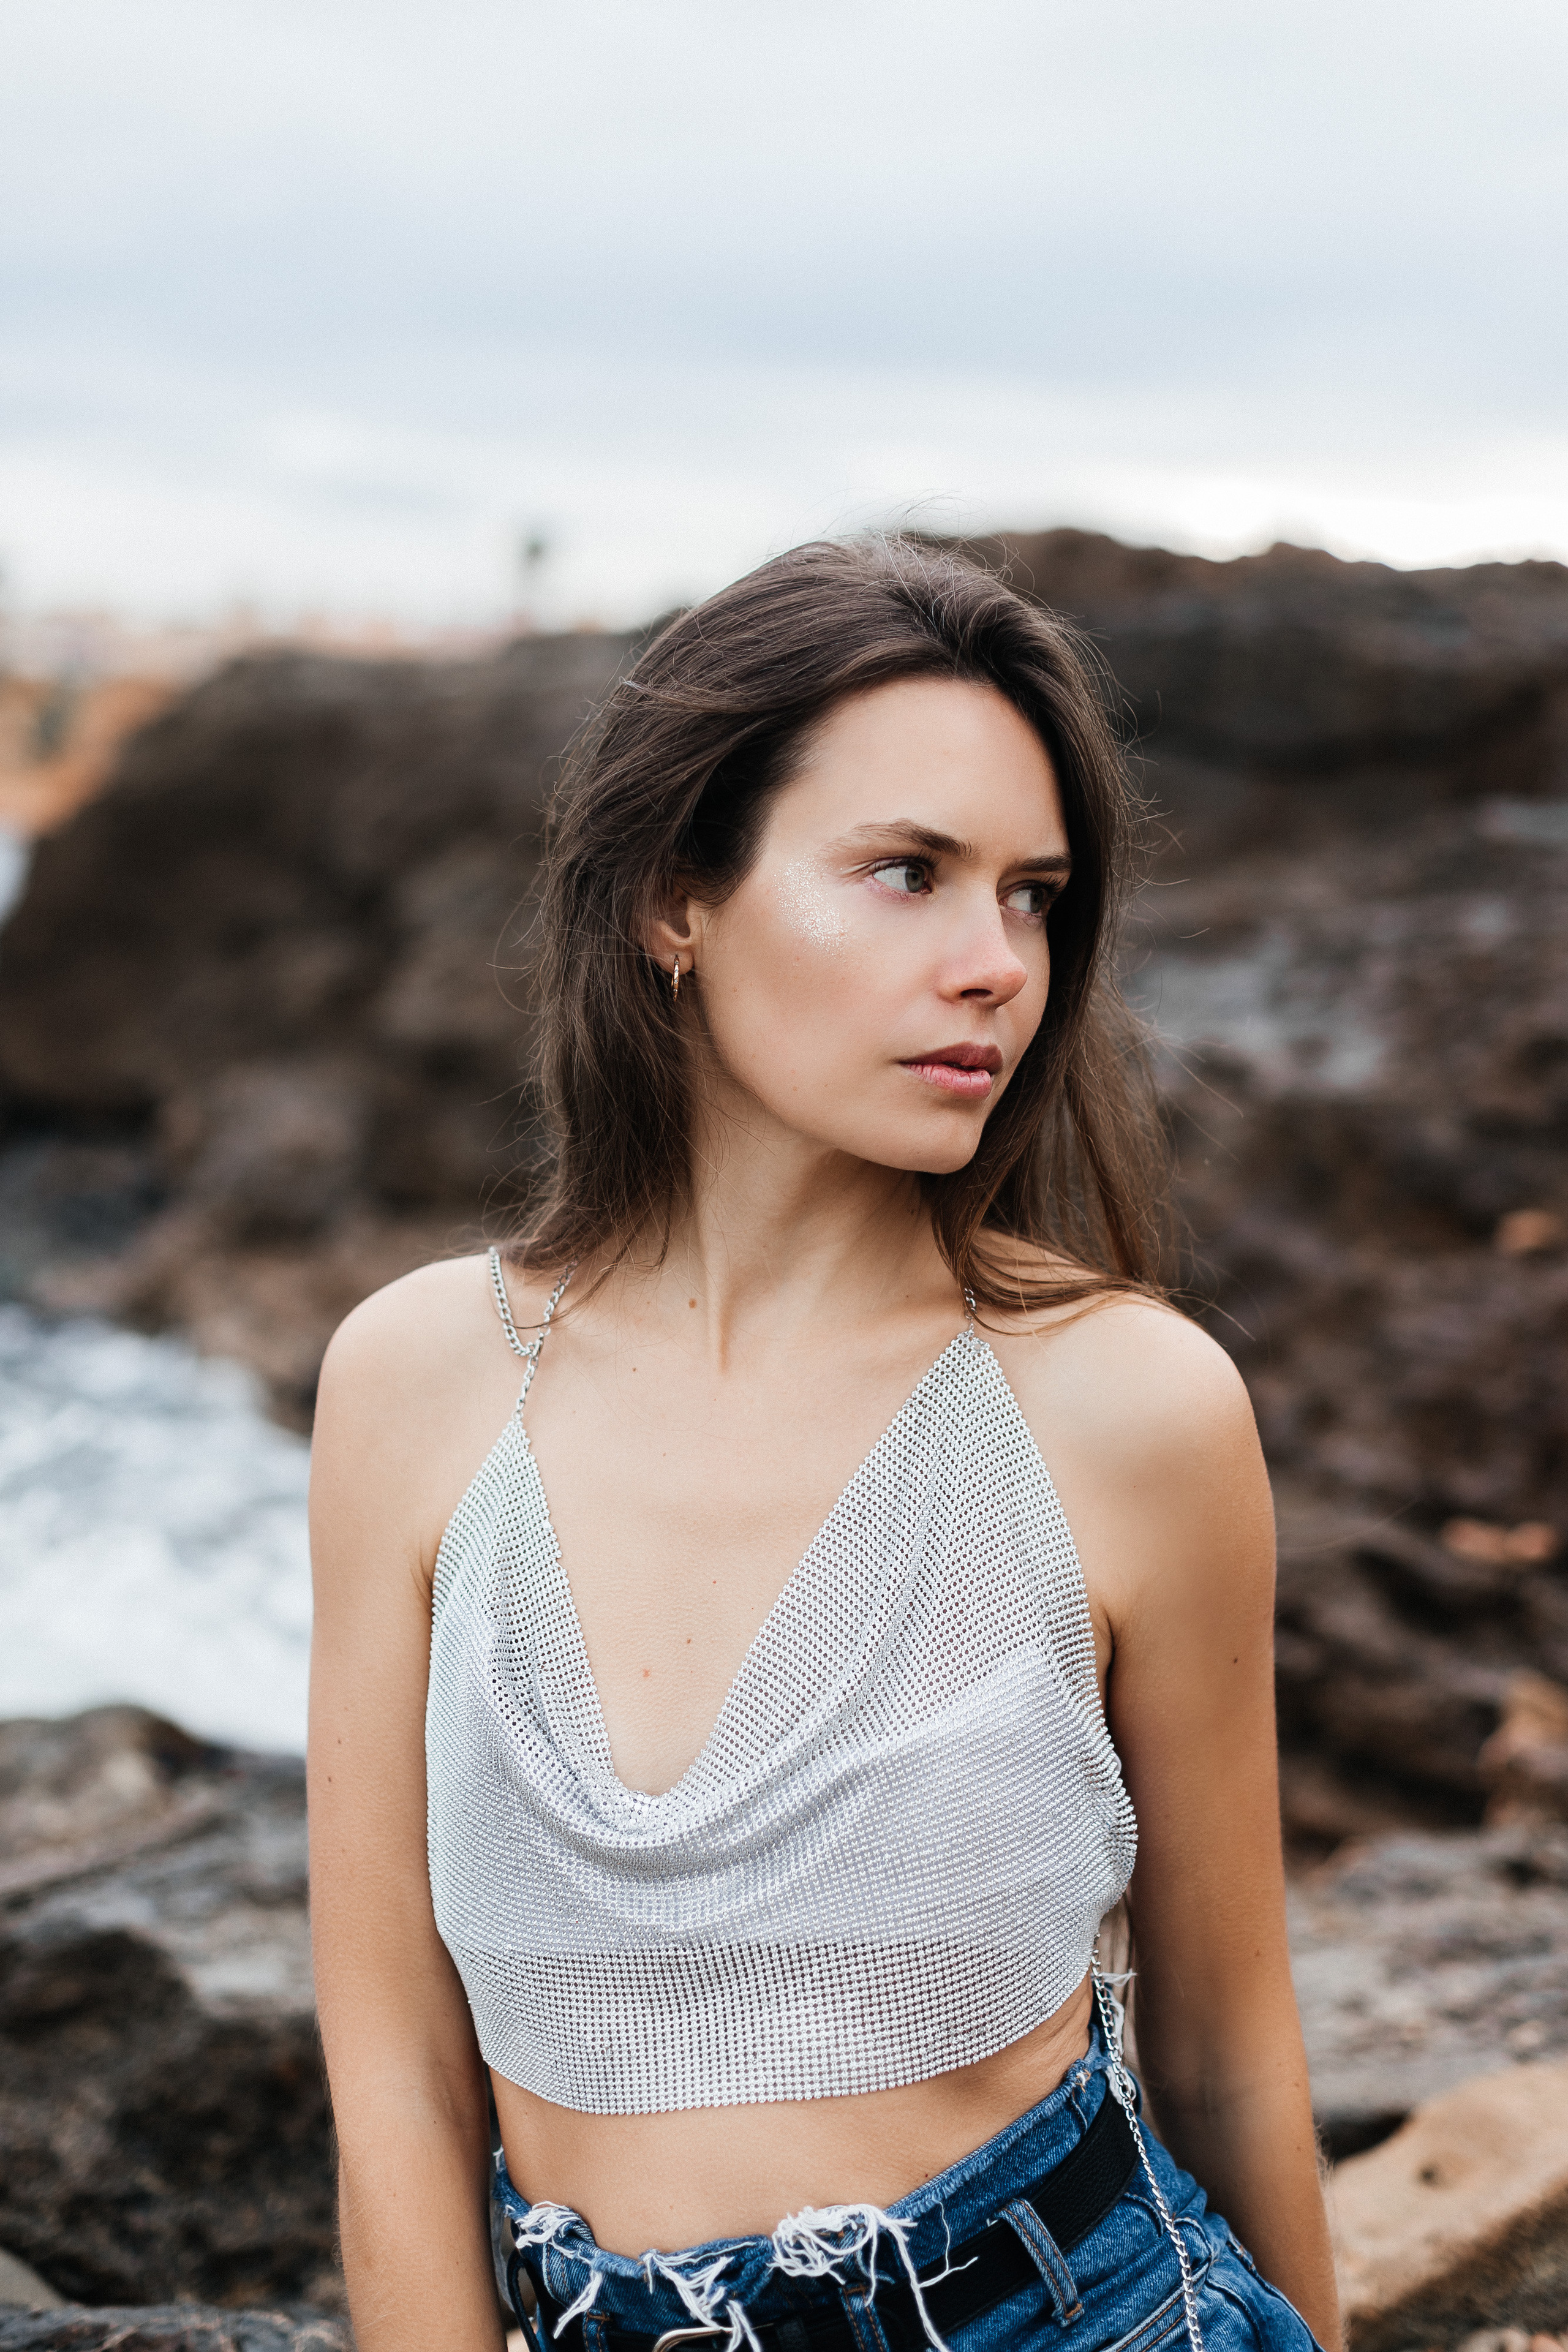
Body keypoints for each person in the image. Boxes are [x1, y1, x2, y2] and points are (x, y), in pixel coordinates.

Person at [308, 538, 1340, 2352]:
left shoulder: (1125, 1405)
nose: (992, 966)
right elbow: (392, 2070)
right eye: (906, 874)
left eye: (1032, 897)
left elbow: (1227, 2050)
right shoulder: (415, 1382)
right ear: (671, 901)